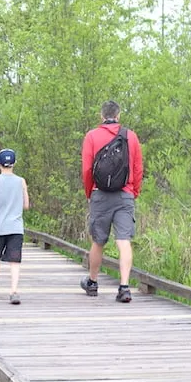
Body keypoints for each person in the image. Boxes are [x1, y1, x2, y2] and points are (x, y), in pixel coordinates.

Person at [80, 100, 143, 303]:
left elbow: (87, 169)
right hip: (125, 194)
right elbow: (138, 168)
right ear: (118, 115)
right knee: (123, 240)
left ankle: (93, 282)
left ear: (102, 116)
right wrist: (134, 192)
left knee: (98, 241)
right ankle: (124, 287)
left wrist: (90, 191)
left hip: (100, 194)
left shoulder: (91, 136)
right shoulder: (130, 136)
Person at [0, 149, 29, 304]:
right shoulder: (21, 181)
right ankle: (14, 291)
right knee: (15, 260)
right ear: (14, 163)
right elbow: (26, 205)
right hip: (16, 227)